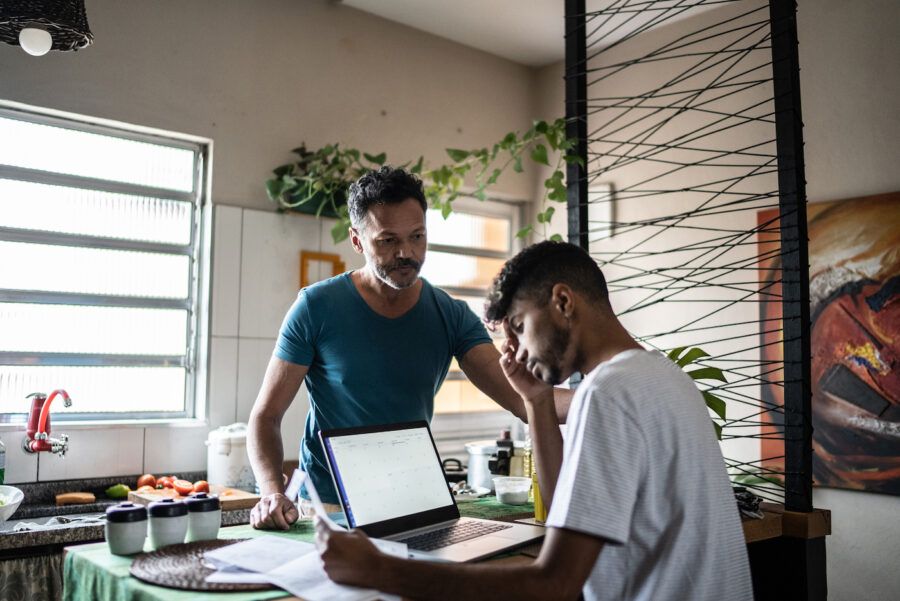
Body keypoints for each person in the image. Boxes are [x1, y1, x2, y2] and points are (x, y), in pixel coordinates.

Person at [315, 240, 753, 601]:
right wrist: (538, 402)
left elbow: (555, 584)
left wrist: (380, 571)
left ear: (562, 301)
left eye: (520, 326)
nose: (515, 351)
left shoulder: (607, 394)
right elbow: (568, 506)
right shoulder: (663, 376)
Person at [248, 167, 572, 530]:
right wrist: (271, 491)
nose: (407, 252)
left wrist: (605, 395)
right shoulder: (315, 308)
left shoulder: (450, 314)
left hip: (412, 501)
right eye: (387, 241)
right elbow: (266, 417)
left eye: (417, 236)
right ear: (357, 241)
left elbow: (524, 399)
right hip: (329, 506)